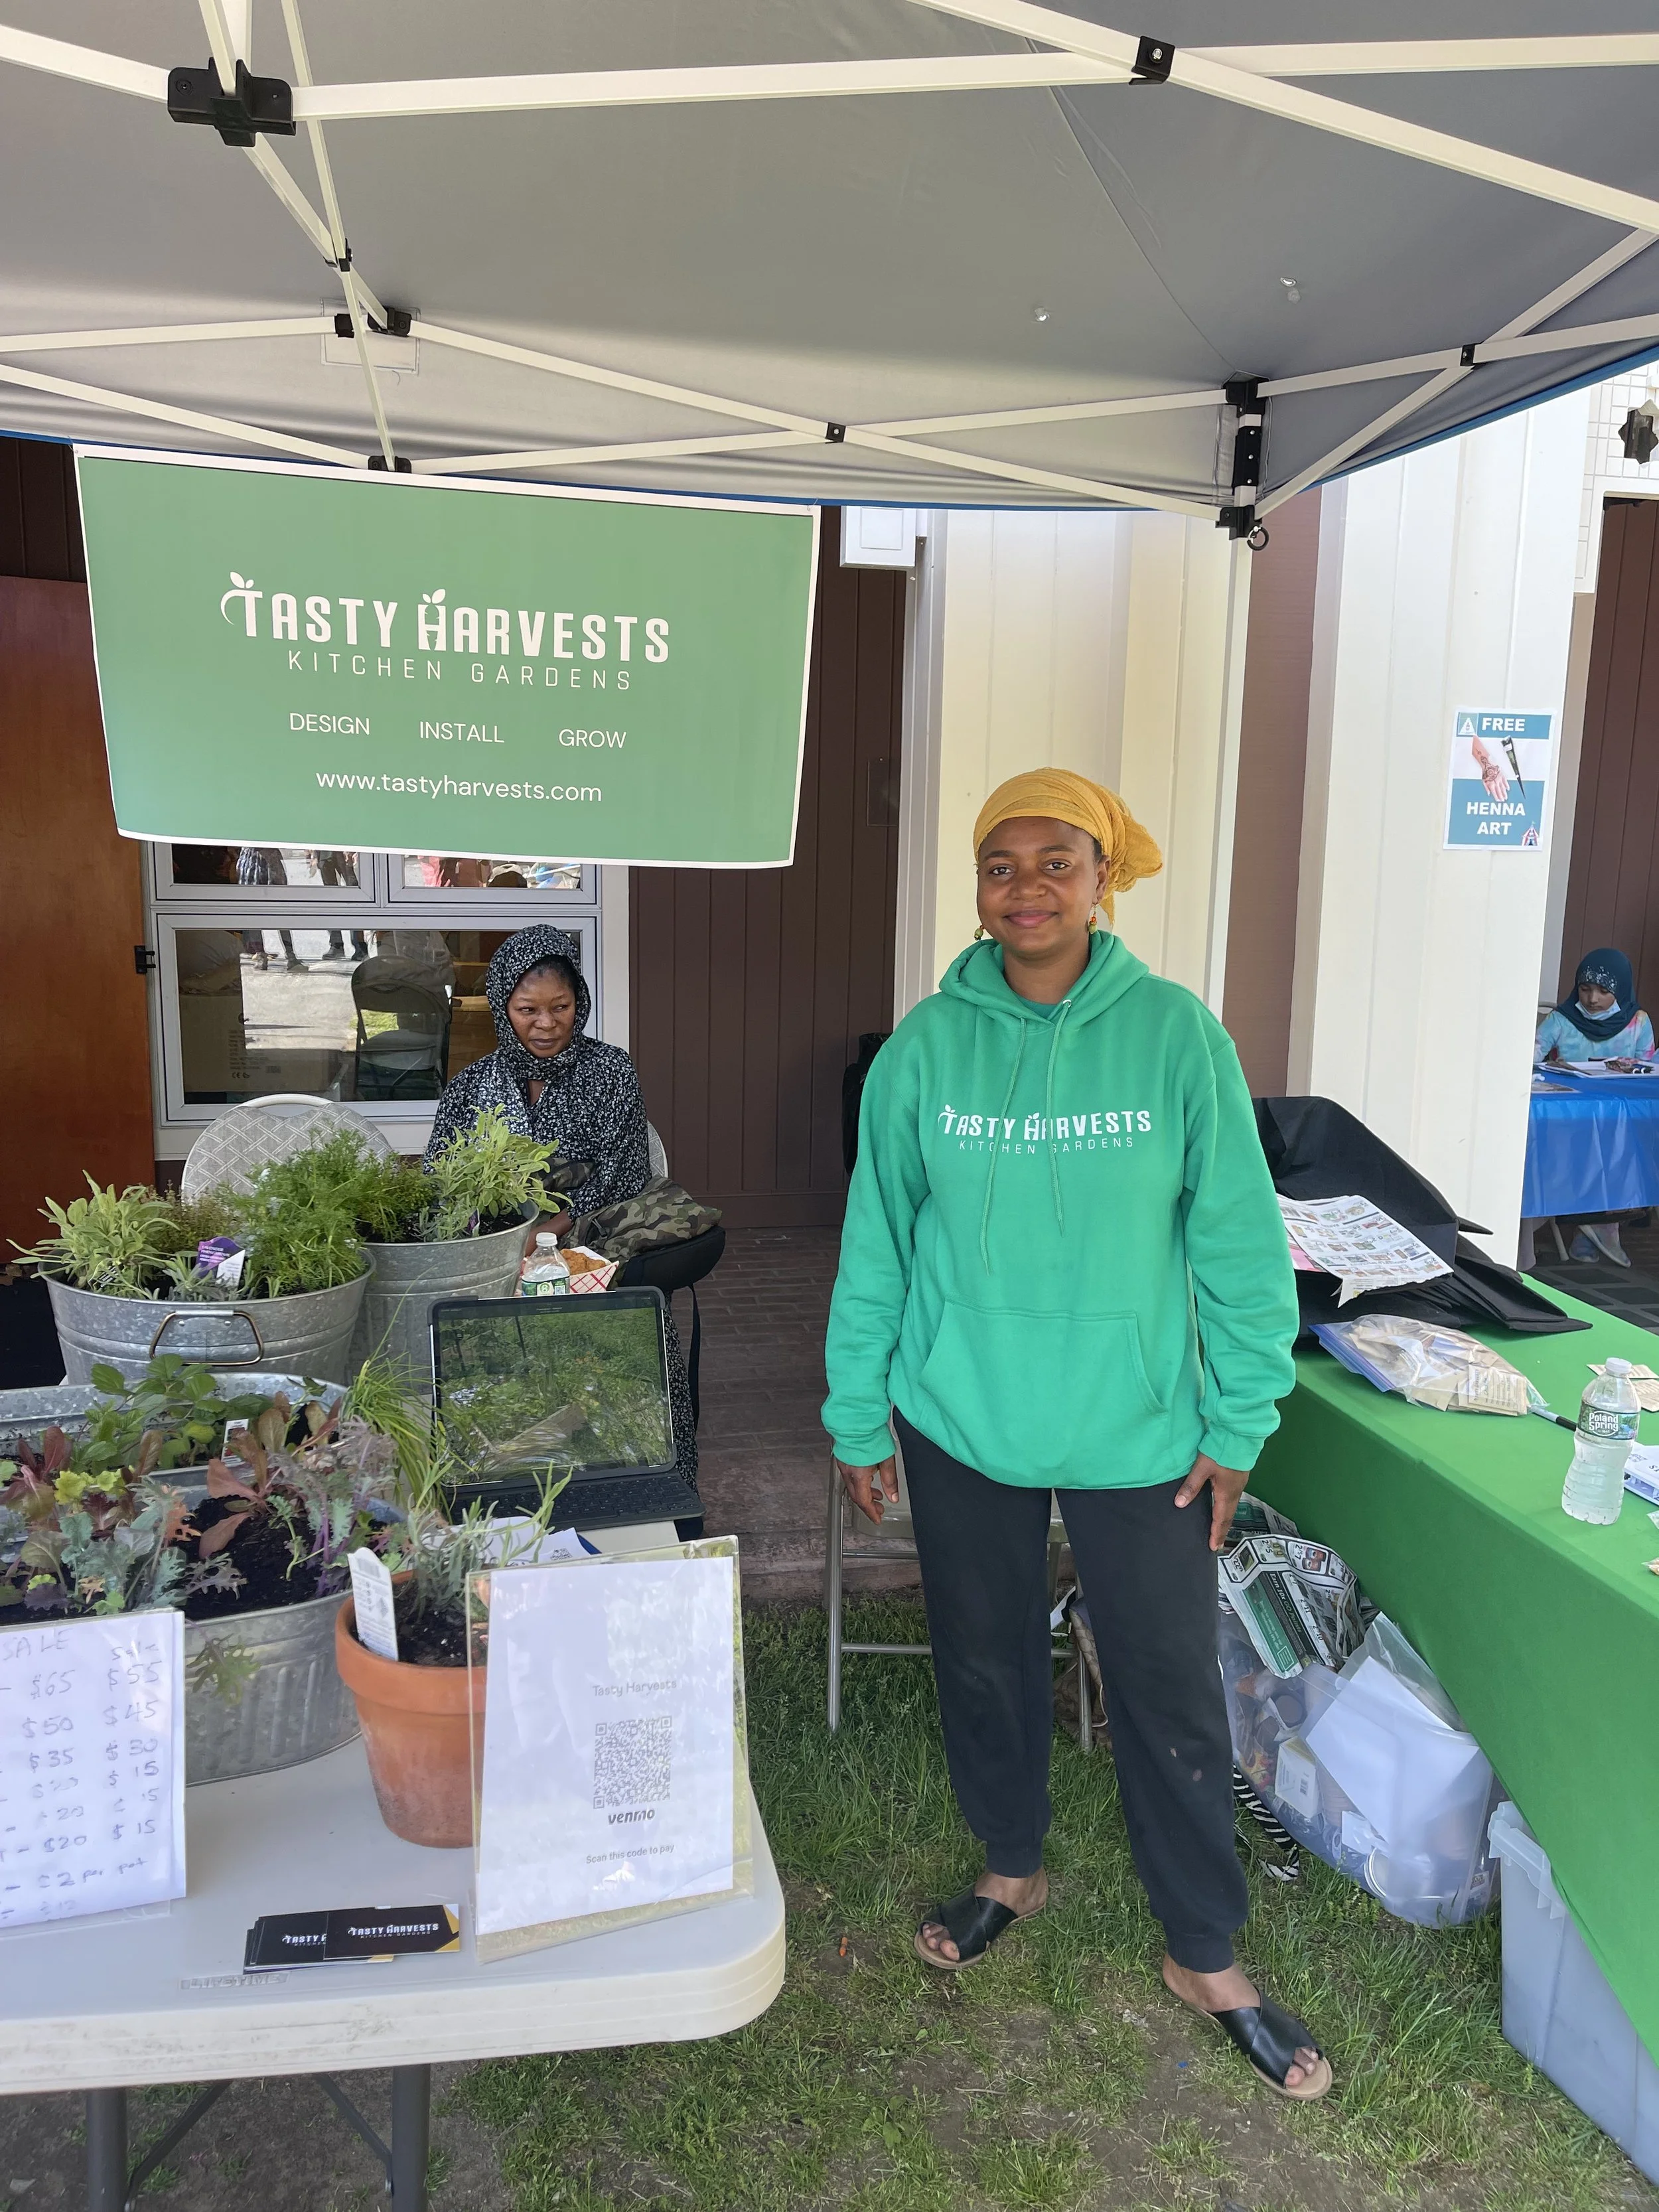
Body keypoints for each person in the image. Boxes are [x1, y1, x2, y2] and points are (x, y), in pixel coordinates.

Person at [822, 769, 1325, 2101]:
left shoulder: (1172, 1036)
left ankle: (1203, 1946)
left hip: (1138, 1428)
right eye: (1000, 863)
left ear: (1105, 879)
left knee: (1166, 1687)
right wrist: (854, 1403)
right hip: (957, 1415)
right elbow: (878, 1234)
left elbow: (1233, 1241)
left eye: (1055, 861)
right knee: (981, 1660)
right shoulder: (923, 1046)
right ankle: (1010, 1863)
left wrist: (1237, 1417)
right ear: (976, 887)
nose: (1025, 888)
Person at [425, 924, 697, 1495]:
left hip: (592, 1252)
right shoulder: (472, 1086)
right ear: (503, 1005)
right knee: (498, 1387)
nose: (546, 1024)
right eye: (527, 1009)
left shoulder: (610, 1070)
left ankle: (640, 1486)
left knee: (619, 1378)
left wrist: (549, 1231)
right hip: (497, 1263)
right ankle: (511, 1486)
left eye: (562, 1007)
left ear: (581, 1004)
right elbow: (443, 1184)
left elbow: (625, 1172)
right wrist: (501, 1242)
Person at [1533, 948, 1654, 1267]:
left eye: (1603, 990)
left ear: (1621, 990)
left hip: (1620, 1112)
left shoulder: (1638, 1021)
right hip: (1573, 1112)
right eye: (1585, 988)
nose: (1592, 999)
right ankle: (1588, 1222)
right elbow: (1531, 1052)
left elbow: (1647, 1065)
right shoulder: (1561, 1019)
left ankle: (1596, 1228)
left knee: (1621, 1150)